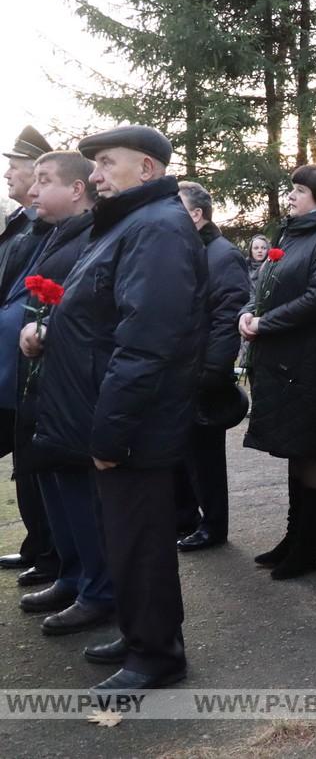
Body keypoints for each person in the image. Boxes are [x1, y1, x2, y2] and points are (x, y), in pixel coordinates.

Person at [24, 124, 206, 690]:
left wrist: (111, 433)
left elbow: (148, 341)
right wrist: (52, 330)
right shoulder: (129, 223)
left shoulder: (157, 230)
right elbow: (99, 312)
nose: (95, 176)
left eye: (105, 163)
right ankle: (139, 634)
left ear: (146, 169)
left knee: (141, 542)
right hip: (111, 414)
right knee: (124, 540)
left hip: (133, 424)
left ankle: (157, 656)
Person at [14, 151, 115, 637]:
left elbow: (94, 313)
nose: (33, 192)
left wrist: (46, 329)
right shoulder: (56, 234)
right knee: (54, 483)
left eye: (44, 181)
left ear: (77, 190)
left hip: (75, 387)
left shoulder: (92, 238)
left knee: (79, 492)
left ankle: (98, 588)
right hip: (46, 385)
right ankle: (73, 574)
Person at [240, 165, 316, 579]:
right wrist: (249, 312)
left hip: (307, 361)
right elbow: (262, 283)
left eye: (299, 191)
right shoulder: (292, 233)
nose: (290, 197)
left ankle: (309, 546)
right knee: (294, 453)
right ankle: (293, 536)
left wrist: (267, 322)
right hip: (279, 361)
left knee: (313, 452)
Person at [174, 182, 251, 552]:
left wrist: (211, 372)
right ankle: (185, 517)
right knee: (180, 451)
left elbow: (227, 316)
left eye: (178, 209)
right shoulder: (182, 250)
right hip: (178, 371)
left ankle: (213, 525)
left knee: (205, 457)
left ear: (196, 215)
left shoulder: (222, 255)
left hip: (202, 373)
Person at [0, 125, 57, 585]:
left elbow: (30, 297)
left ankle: (47, 551)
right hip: (10, 360)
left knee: (33, 462)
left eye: (14, 168)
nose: (7, 175)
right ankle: (38, 546)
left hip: (21, 361)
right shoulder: (22, 223)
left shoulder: (43, 227)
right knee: (25, 462)